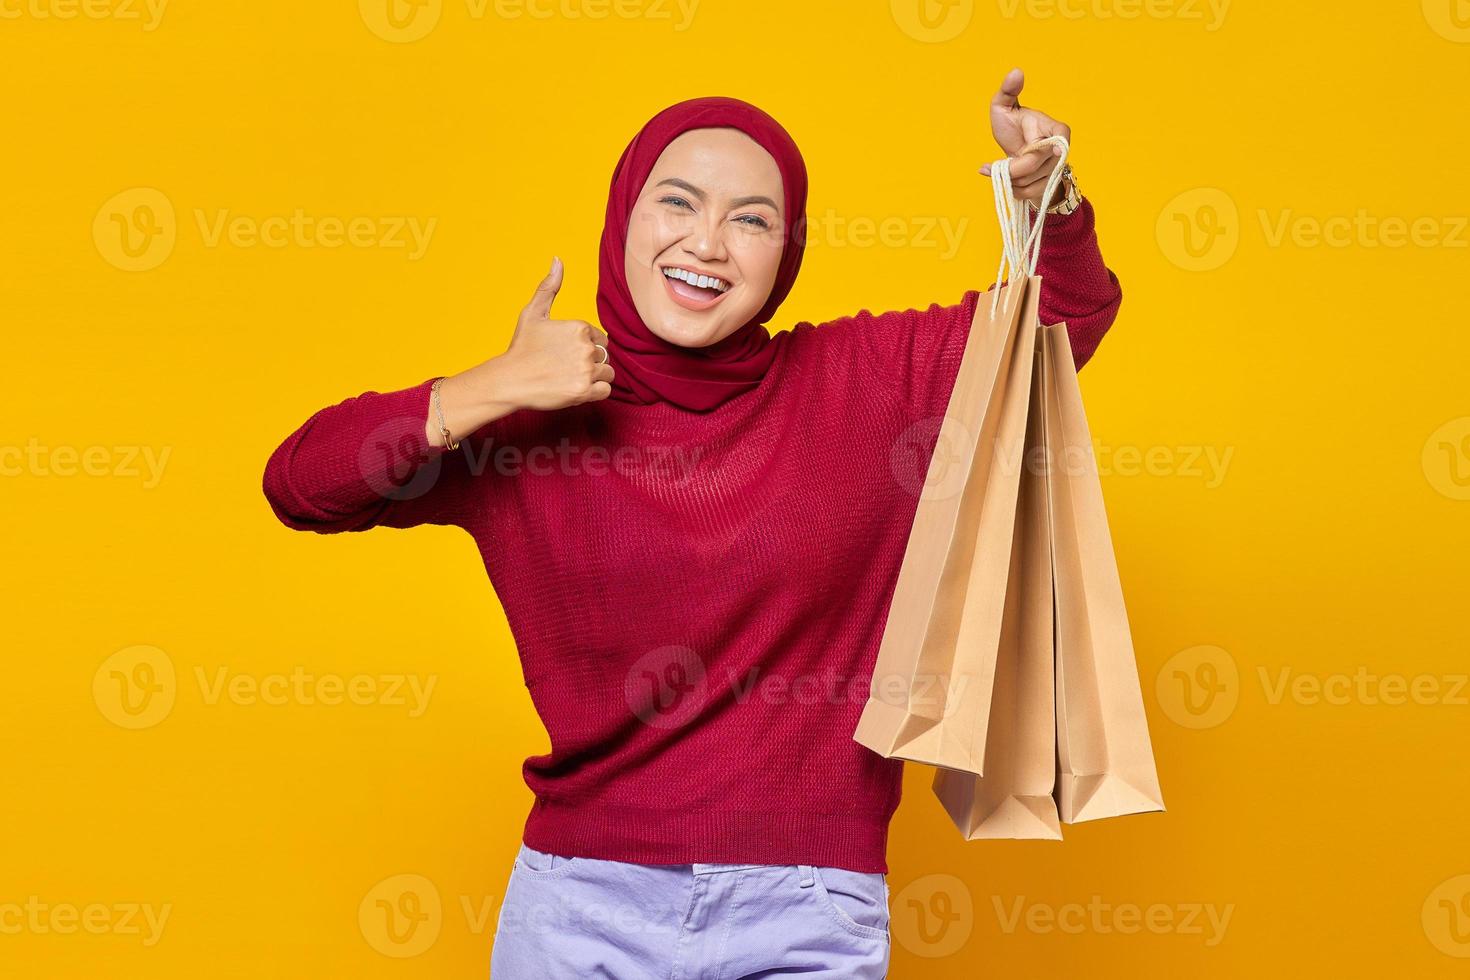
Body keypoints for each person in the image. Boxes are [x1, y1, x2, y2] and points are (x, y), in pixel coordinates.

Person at [262, 69, 1121, 978]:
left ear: (784, 254)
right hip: (579, 903)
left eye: (751, 219)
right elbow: (301, 485)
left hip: (807, 905)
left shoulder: (865, 381)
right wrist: (489, 388)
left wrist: (1047, 200)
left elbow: (1063, 321)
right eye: (677, 203)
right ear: (625, 217)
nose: (707, 243)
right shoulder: (528, 417)